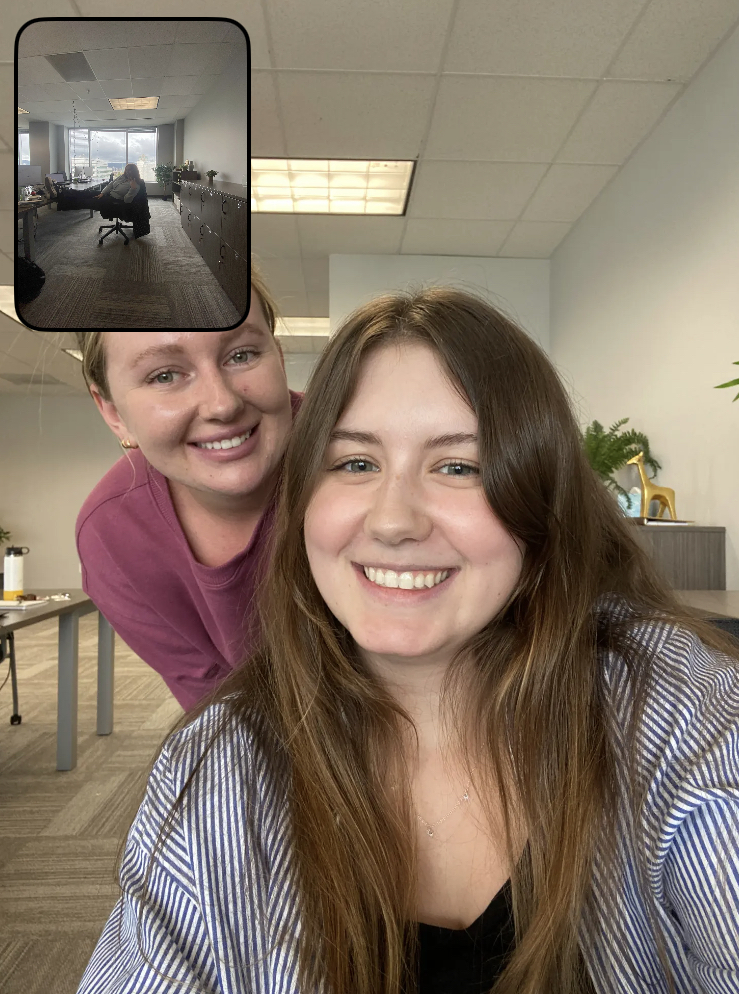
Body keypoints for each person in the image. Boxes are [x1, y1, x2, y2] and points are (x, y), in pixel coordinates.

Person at [77, 287, 739, 994]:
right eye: (355, 463)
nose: (393, 519)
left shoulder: (678, 723)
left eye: (459, 465)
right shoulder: (217, 767)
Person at [75, 265, 299, 708]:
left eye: (241, 355)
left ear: (278, 355)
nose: (223, 403)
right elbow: (225, 714)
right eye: (164, 375)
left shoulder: (364, 456)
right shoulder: (113, 536)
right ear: (112, 412)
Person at [57, 162, 142, 213]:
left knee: (86, 202)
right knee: (86, 193)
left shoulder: (136, 185)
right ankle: (61, 193)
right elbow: (110, 184)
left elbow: (127, 200)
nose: (127, 172)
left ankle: (60, 200)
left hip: (114, 200)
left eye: (129, 170)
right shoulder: (122, 177)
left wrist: (132, 189)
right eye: (126, 170)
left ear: (134, 171)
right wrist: (102, 193)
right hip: (106, 194)